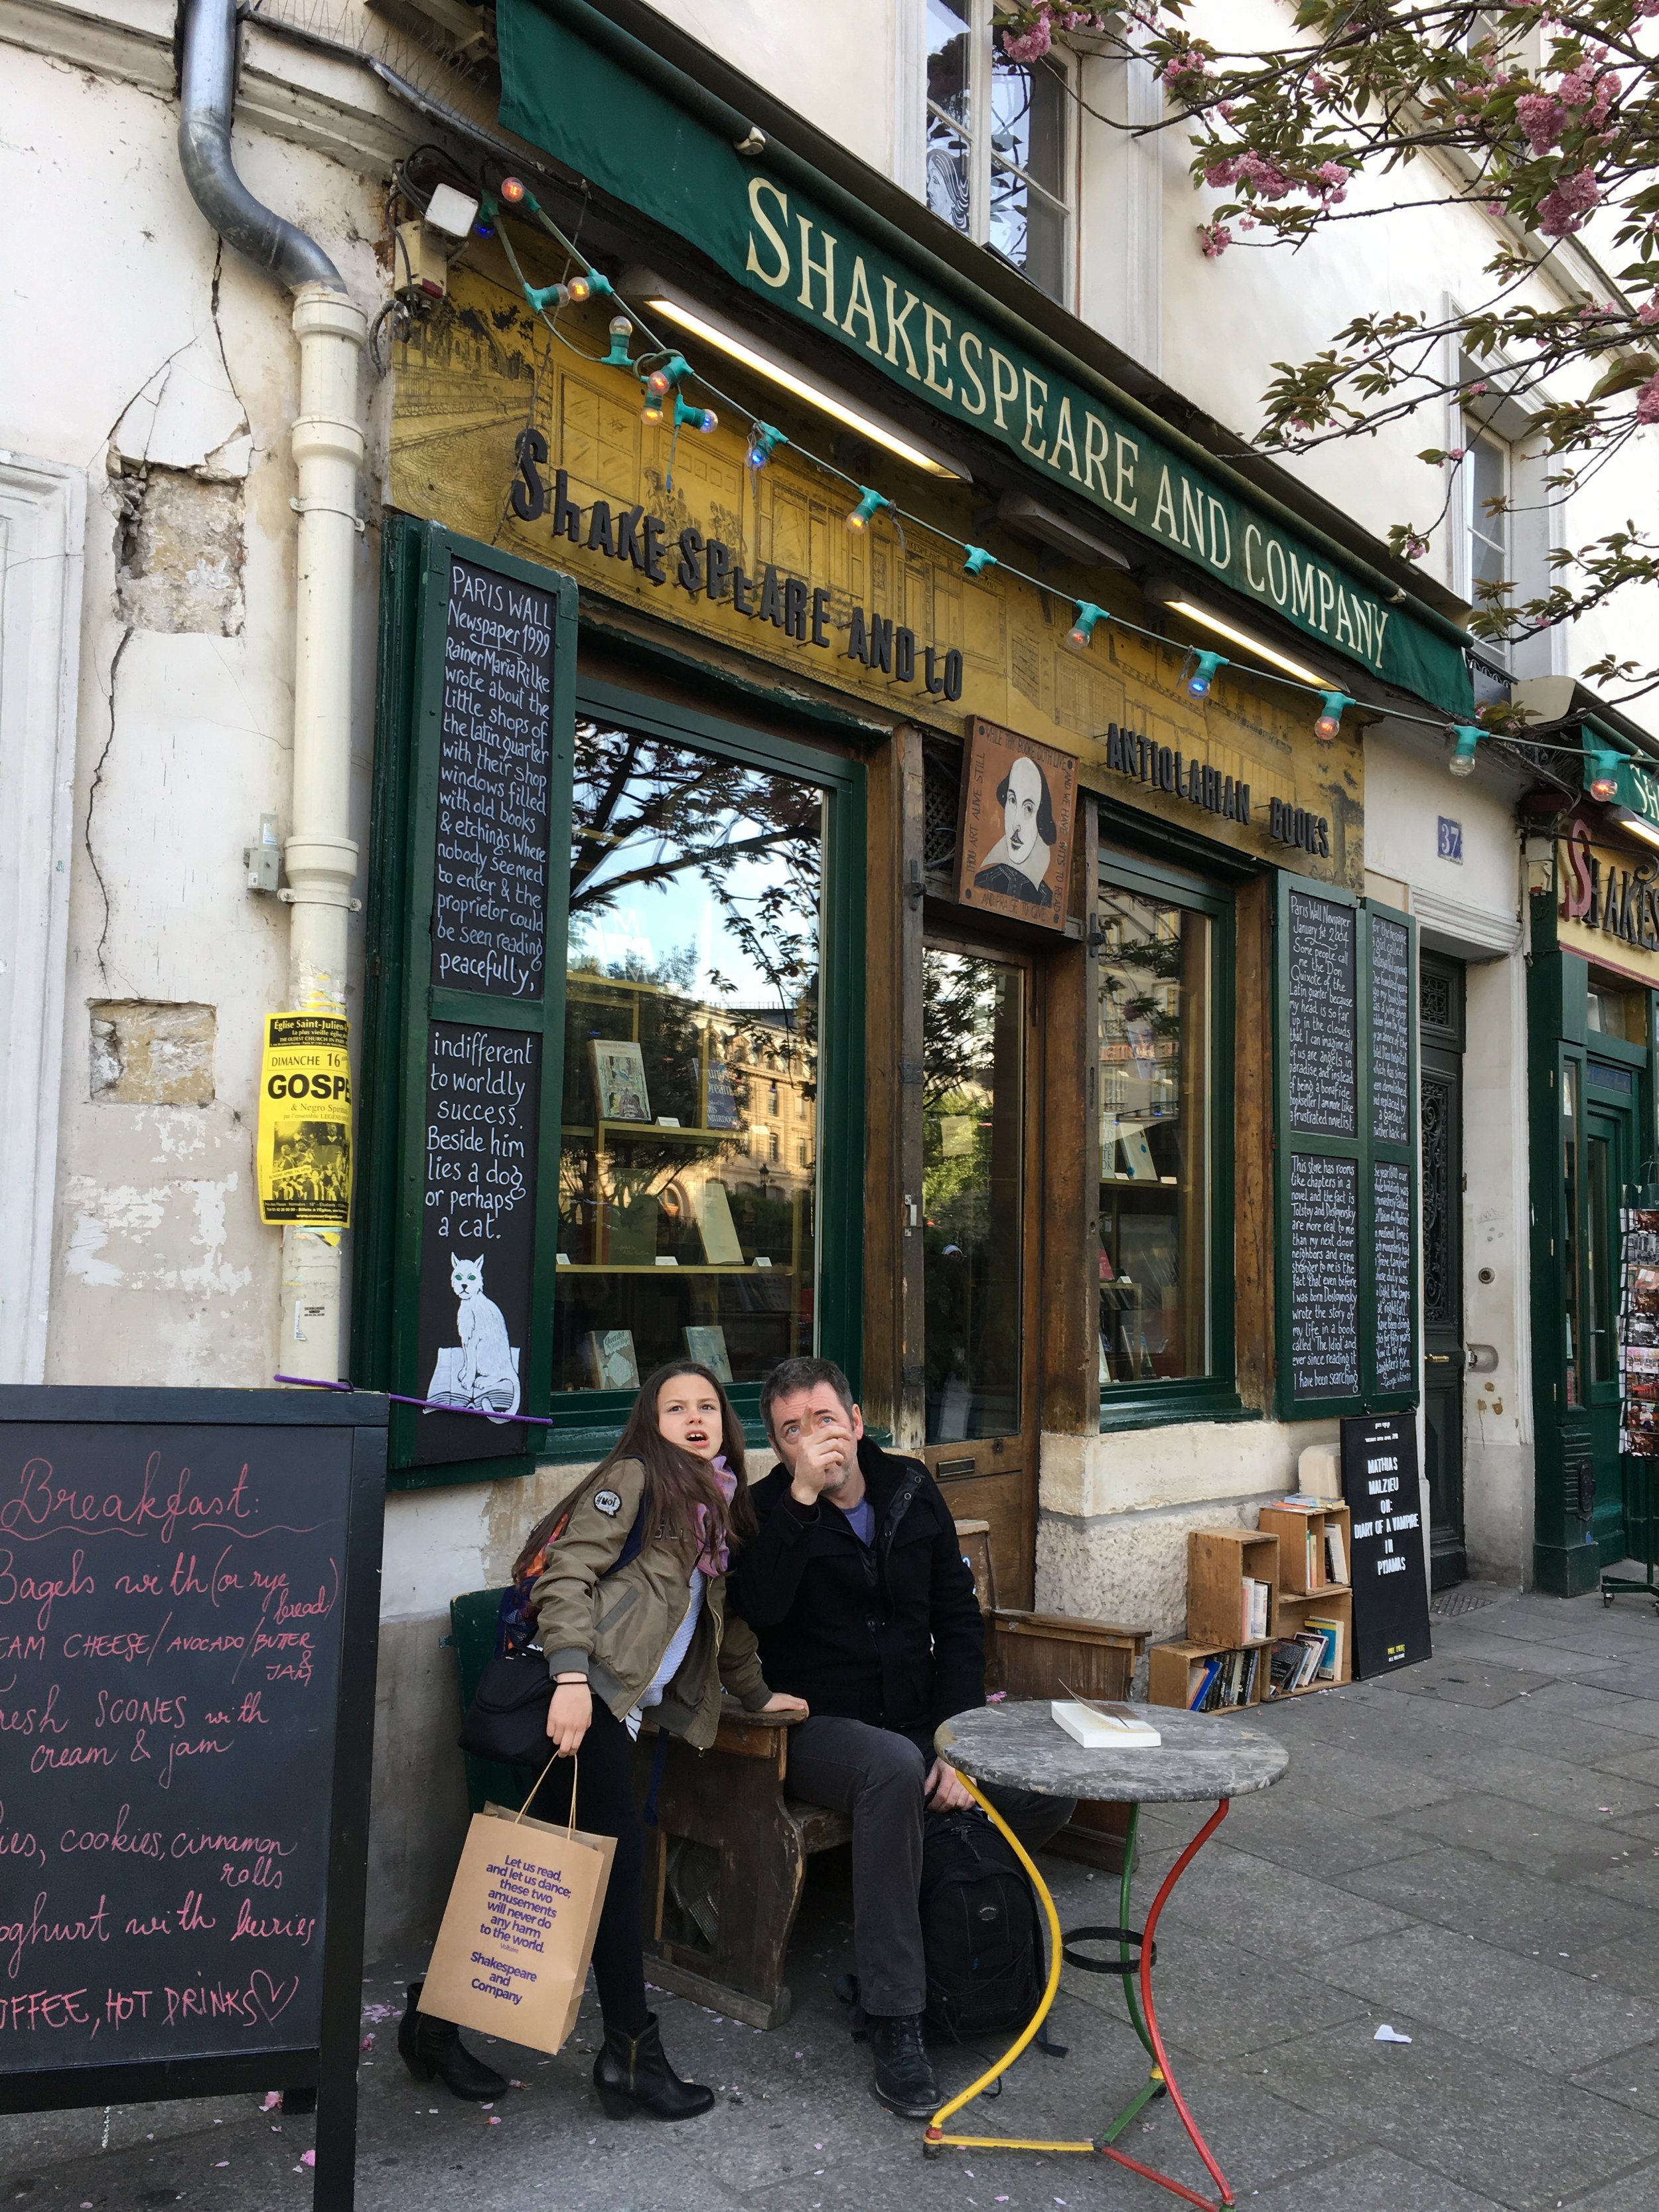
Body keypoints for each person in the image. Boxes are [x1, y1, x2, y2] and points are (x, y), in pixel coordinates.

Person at [401, 1362, 807, 2118]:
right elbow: (566, 1575)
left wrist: (755, 1694)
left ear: (725, 1423)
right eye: (675, 1408)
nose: (694, 1418)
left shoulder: (719, 1504)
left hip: (616, 1710)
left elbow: (724, 1621)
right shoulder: (635, 1478)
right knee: (609, 1878)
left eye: (707, 1406)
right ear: (650, 1423)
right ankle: (630, 2055)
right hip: (585, 1701)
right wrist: (568, 1678)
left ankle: (432, 2024)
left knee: (538, 1872)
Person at [730, 1357, 1073, 2120]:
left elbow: (957, 1623)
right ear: (777, 1447)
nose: (813, 1437)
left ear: (855, 1422)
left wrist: (957, 1748)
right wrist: (802, 1499)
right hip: (816, 1729)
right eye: (791, 1430)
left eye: (824, 1419)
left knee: (1045, 1778)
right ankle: (896, 2015)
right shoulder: (764, 1511)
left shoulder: (912, 1489)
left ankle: (954, 1905)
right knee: (889, 1770)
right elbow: (760, 1605)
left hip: (920, 1723)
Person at [972, 754, 1056, 907]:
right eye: (1012, 800)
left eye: (1028, 808)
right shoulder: (980, 881)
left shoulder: (1047, 899)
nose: (1016, 825)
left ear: (1041, 818)